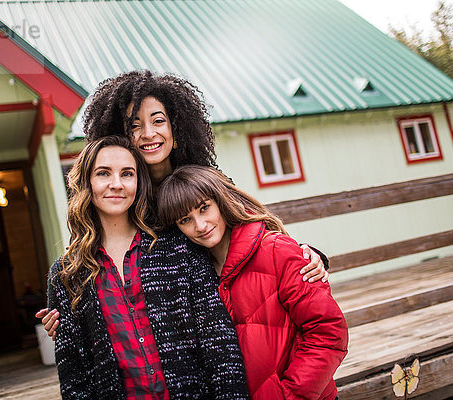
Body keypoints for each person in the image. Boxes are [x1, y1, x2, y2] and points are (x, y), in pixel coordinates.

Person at [38, 70, 329, 339]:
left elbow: (252, 228)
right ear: (122, 135)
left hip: (230, 313)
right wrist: (70, 313)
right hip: (169, 333)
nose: (148, 133)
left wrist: (308, 256)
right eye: (134, 126)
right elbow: (99, 250)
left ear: (176, 127)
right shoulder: (120, 195)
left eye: (158, 121)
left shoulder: (201, 179)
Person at [48, 136, 248, 399]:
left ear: (138, 183)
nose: (116, 184)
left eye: (127, 174)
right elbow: (74, 378)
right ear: (87, 182)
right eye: (103, 173)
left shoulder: (178, 246)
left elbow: (219, 343)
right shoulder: (66, 275)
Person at [156, 165, 349, 400]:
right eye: (186, 220)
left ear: (220, 201)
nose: (201, 225)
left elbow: (327, 331)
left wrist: (288, 396)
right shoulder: (194, 275)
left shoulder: (276, 250)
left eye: (204, 208)